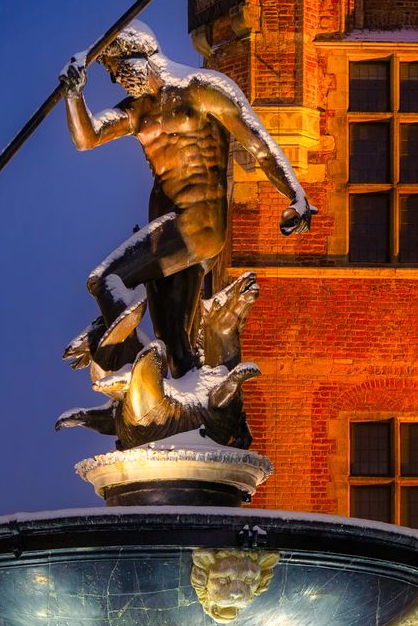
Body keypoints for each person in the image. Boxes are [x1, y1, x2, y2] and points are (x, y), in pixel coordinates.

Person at [61, 23, 314, 382]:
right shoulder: (138, 111)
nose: (117, 80)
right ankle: (183, 402)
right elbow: (87, 137)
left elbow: (259, 144)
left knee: (104, 279)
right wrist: (74, 95)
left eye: (117, 70)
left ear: (137, 56)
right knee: (175, 344)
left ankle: (130, 357)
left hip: (198, 222)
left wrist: (295, 194)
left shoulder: (203, 89)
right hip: (166, 227)